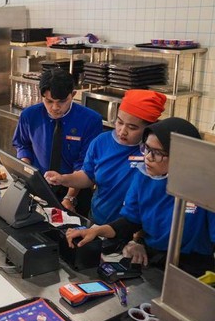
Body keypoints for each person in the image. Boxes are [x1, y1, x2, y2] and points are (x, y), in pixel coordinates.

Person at [66, 118, 215, 277]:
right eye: (147, 149)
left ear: (182, 157)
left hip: (194, 268)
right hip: (152, 260)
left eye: (158, 153)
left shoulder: (205, 188)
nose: (148, 157)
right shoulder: (144, 176)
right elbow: (131, 220)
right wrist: (96, 231)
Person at [45, 90, 167, 223]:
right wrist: (63, 179)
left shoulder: (154, 155)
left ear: (149, 128)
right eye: (119, 122)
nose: (122, 131)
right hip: (98, 219)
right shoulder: (101, 142)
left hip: (133, 228)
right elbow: (87, 176)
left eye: (132, 128)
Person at [12, 68, 102, 215]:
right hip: (39, 186)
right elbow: (23, 144)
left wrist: (69, 197)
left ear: (72, 95)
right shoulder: (29, 115)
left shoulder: (90, 120)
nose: (55, 107)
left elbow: (85, 165)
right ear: (42, 96)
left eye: (62, 101)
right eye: (49, 101)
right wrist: (27, 171)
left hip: (75, 191)